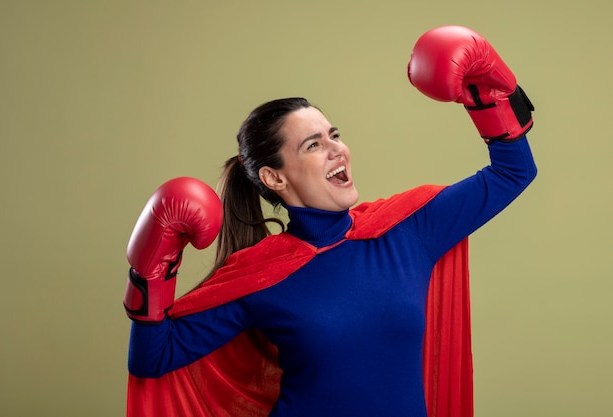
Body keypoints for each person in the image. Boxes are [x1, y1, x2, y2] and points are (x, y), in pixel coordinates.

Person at [123, 26, 537, 417]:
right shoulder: (259, 274)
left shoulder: (407, 228)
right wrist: (150, 272)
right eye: (313, 145)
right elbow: (153, 359)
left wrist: (488, 91)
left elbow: (513, 172)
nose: (337, 150)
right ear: (274, 177)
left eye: (334, 135)